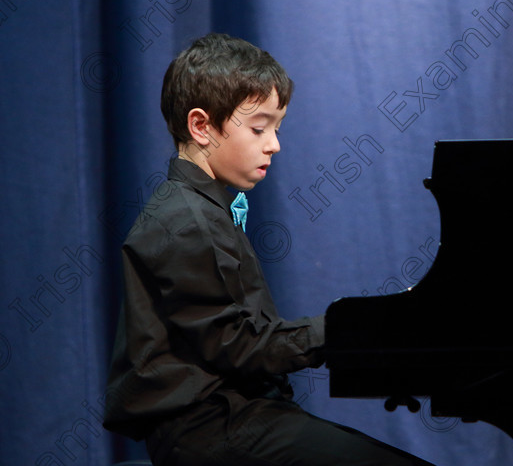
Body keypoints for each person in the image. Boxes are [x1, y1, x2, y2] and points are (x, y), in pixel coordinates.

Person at [103, 33, 434, 466]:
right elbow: (240, 346)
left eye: (276, 128)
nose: (273, 144)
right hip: (209, 429)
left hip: (238, 415)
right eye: (259, 128)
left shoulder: (203, 210)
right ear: (201, 126)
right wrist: (349, 327)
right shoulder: (184, 221)